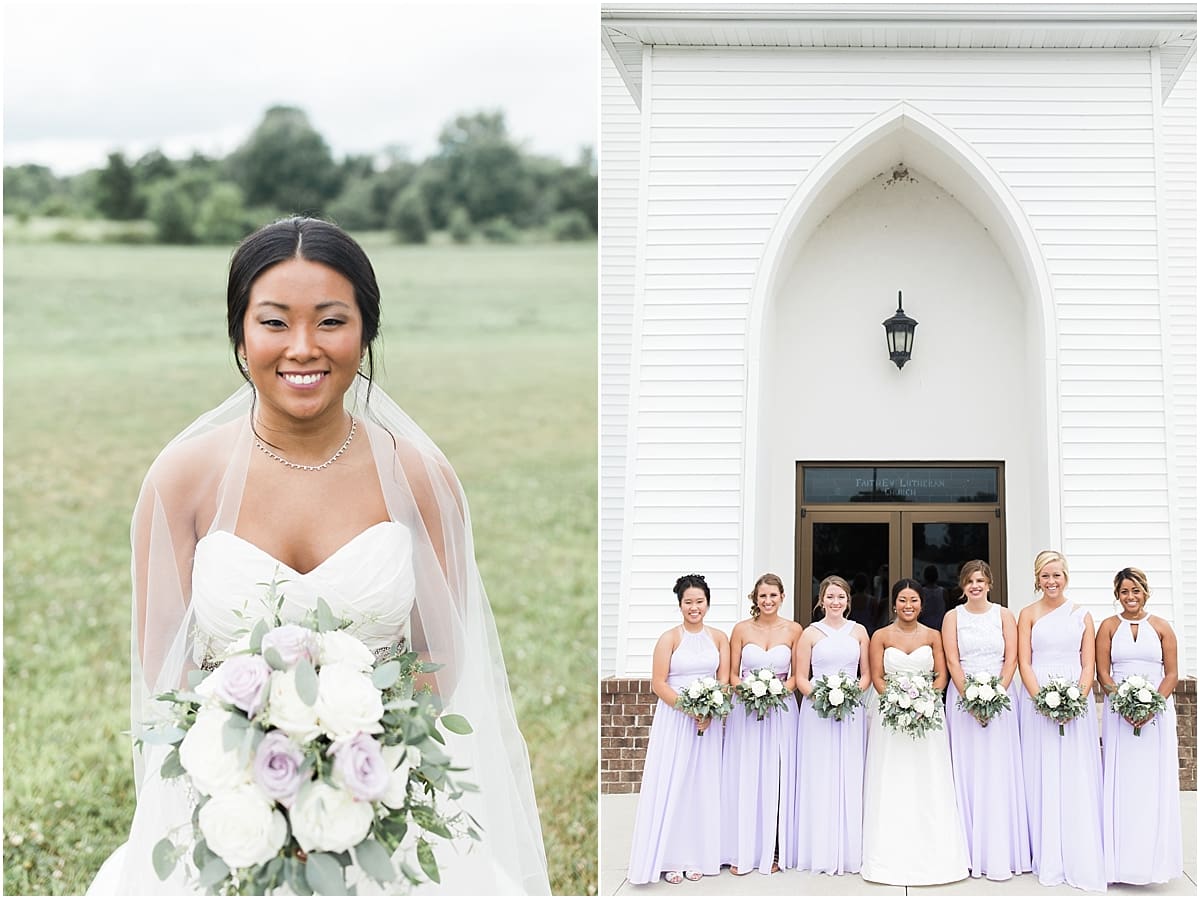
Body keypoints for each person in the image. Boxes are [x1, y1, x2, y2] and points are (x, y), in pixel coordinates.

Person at [87, 217, 549, 895]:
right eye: (274, 322)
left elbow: (439, 659)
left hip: (378, 793)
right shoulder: (180, 480)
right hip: (226, 808)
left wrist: (355, 771)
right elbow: (167, 675)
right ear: (240, 334)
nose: (303, 348)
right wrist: (251, 782)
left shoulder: (420, 477)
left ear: (366, 331)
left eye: (331, 321)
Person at [861, 579, 968, 886]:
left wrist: (924, 701)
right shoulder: (880, 636)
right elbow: (878, 677)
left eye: (914, 600)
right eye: (902, 600)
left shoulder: (933, 635)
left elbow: (941, 676)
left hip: (927, 713)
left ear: (922, 604)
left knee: (927, 774)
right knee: (892, 774)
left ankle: (933, 849)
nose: (908, 606)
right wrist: (898, 702)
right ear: (894, 604)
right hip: (890, 715)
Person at [628, 574, 730, 884]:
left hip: (707, 723)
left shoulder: (719, 638)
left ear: (707, 603)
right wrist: (689, 709)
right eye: (688, 602)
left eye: (700, 602)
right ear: (680, 604)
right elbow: (659, 683)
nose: (694, 607)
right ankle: (670, 858)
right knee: (675, 782)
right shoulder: (669, 638)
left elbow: (724, 681)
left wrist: (710, 711)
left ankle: (697, 855)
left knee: (702, 785)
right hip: (675, 719)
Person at [1016, 550, 1104, 892]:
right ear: (1037, 579)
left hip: (1075, 696)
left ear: (1066, 577)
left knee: (1074, 768)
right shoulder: (1027, 614)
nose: (1051, 581)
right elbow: (1024, 661)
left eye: (1057, 575)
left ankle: (1078, 844)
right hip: (1037, 696)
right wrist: (1040, 698)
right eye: (1045, 575)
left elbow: (1088, 664)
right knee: (1041, 768)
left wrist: (1077, 698)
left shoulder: (1082, 615)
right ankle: (1044, 849)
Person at [941, 560, 1030, 880]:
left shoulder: (1004, 615)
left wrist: (996, 694)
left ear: (990, 583)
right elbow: (952, 660)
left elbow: (1012, 658)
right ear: (962, 586)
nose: (975, 586)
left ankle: (1001, 849)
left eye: (980, 580)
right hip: (962, 700)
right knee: (968, 770)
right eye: (969, 581)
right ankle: (967, 850)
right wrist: (970, 697)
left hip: (1000, 698)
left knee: (998, 768)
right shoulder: (952, 617)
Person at [1096, 567, 1182, 885]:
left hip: (1156, 714)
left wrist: (1151, 707)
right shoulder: (1108, 626)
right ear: (1117, 595)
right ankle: (1119, 863)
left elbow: (1171, 673)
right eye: (1124, 592)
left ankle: (1153, 861)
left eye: (1135, 591)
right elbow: (1103, 673)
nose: (1130, 597)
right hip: (1119, 714)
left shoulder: (1162, 627)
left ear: (1145, 592)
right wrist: (1123, 703)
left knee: (1152, 781)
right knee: (1122, 781)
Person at [721, 573, 803, 875]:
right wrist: (750, 691)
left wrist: (777, 691)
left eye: (773, 595)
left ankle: (775, 850)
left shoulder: (794, 630)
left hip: (781, 710)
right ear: (755, 598)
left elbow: (797, 675)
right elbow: (732, 674)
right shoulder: (741, 629)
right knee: (745, 774)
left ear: (782, 597)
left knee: (777, 776)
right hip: (746, 711)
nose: (768, 601)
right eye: (762, 596)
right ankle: (741, 848)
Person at [793, 575, 870, 874]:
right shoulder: (810, 633)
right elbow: (802, 677)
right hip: (817, 712)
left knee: (849, 771)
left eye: (840, 597)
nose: (835, 602)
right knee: (819, 772)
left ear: (848, 601)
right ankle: (819, 849)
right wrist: (822, 697)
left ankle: (849, 850)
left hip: (851, 710)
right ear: (821, 600)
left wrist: (849, 695)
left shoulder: (859, 631)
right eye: (830, 597)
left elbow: (866, 674)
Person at [918, 564, 947, 630]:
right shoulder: (943, 592)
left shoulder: (921, 592)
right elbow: (947, 608)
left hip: (924, 625)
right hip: (939, 625)